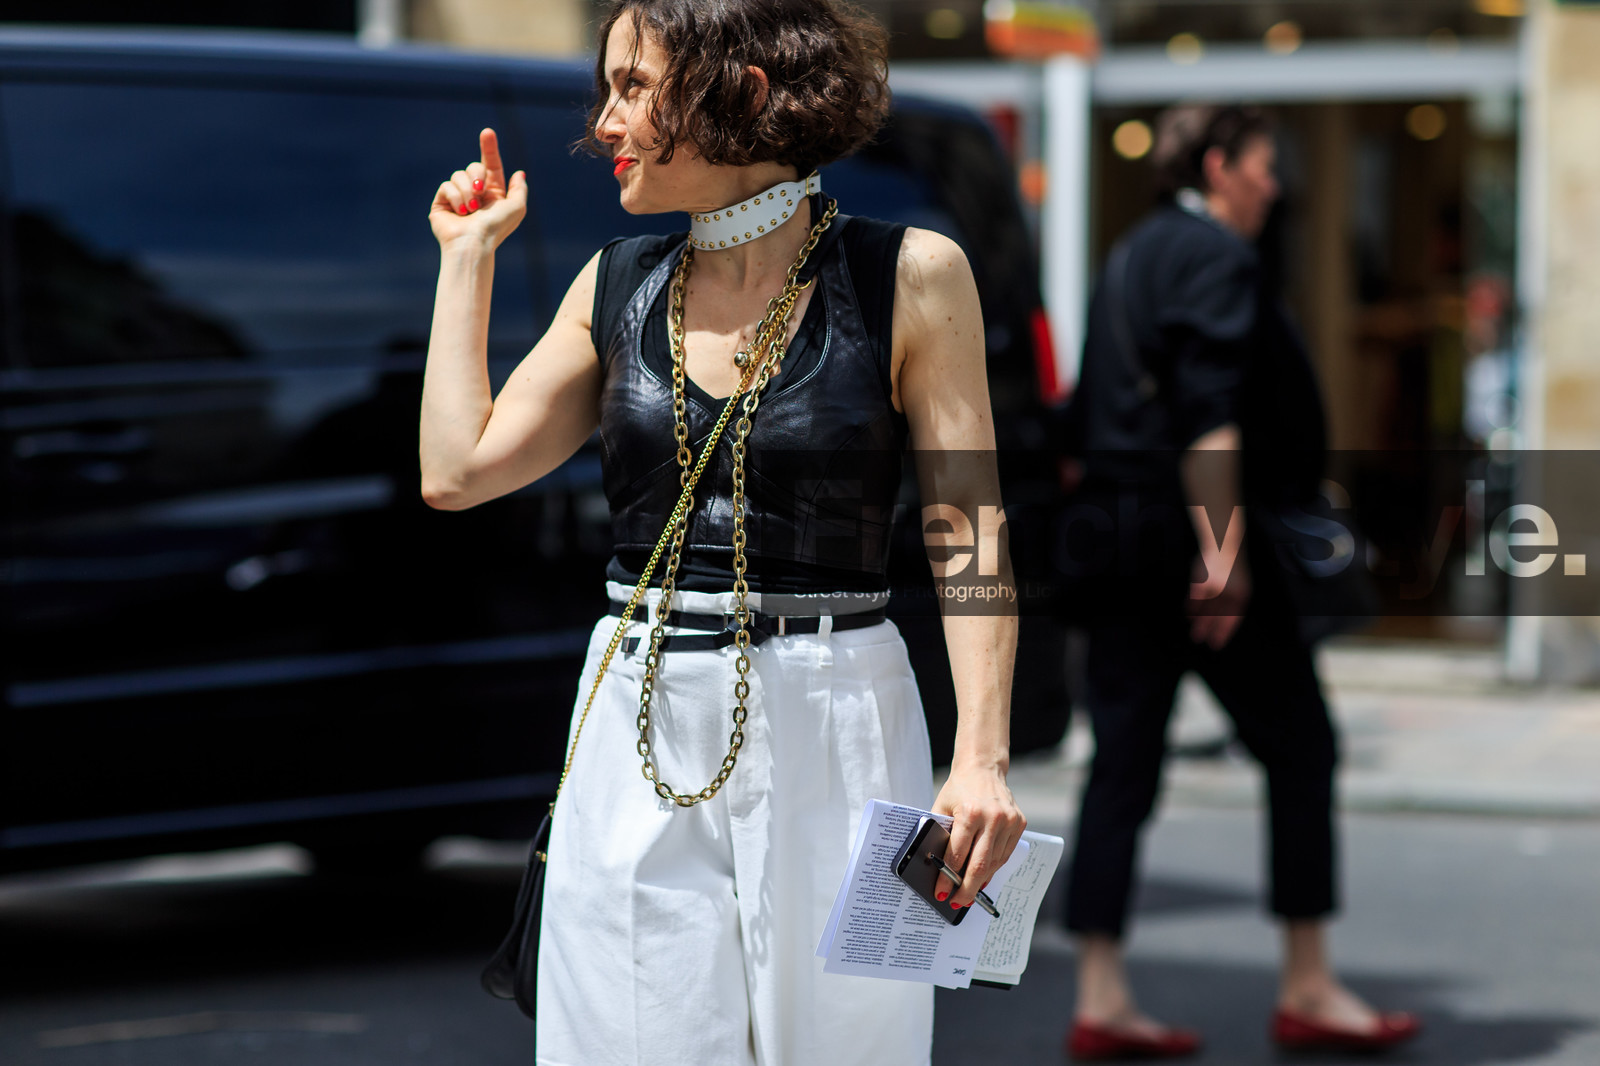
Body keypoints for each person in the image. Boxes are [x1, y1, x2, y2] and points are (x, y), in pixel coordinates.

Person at [417, 2, 1026, 1064]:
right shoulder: (615, 281)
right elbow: (456, 473)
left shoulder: (910, 274)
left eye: (633, 88)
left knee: (851, 1046)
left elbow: (967, 525)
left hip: (843, 711)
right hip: (636, 704)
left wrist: (980, 758)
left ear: (743, 92)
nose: (601, 124)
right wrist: (464, 261)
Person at [1057, 105, 1421, 1060]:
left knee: (1120, 768)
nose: (1276, 185)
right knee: (1302, 747)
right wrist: (1223, 560)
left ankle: (1100, 995)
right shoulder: (1215, 256)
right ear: (1220, 167)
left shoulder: (1134, 252)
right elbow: (1208, 418)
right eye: (1264, 166)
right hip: (1187, 548)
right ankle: (1308, 983)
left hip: (1116, 541)